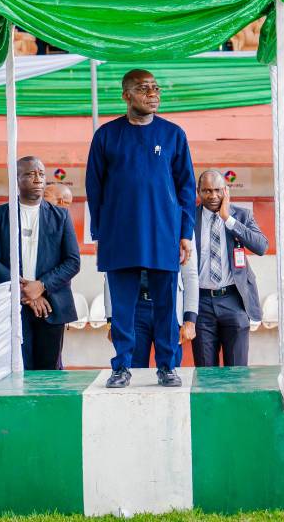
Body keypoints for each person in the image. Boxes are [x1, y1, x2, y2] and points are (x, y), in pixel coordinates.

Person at [85, 69, 196, 388]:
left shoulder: (174, 134)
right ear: (126, 95)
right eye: (144, 88)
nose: (153, 93)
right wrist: (101, 234)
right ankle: (120, 367)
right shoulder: (106, 135)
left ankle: (167, 366)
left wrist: (185, 233)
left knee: (165, 306)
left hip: (164, 235)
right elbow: (95, 187)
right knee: (122, 309)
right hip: (120, 237)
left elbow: (186, 187)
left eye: (156, 88)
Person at [0, 156, 80, 370]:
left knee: (49, 376)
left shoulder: (61, 216)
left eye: (41, 174)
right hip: (11, 304)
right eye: (30, 173)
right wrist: (26, 291)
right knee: (17, 369)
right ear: (17, 179)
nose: (38, 178)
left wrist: (41, 286)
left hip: (52, 305)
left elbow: (73, 262)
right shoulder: (0, 215)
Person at [193, 170, 266, 367]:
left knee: (237, 370)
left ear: (226, 190)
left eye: (217, 190)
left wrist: (228, 219)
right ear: (198, 192)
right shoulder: (189, 219)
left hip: (234, 300)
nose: (213, 196)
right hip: (201, 303)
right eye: (207, 191)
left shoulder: (241, 215)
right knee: (206, 372)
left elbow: (261, 246)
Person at [104, 244, 198, 369]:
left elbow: (190, 274)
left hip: (169, 307)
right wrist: (111, 320)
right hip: (135, 308)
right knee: (133, 371)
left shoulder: (180, 224)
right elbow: (112, 271)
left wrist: (190, 319)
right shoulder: (125, 224)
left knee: (170, 370)